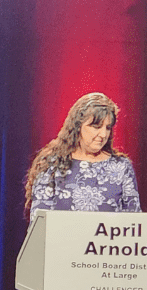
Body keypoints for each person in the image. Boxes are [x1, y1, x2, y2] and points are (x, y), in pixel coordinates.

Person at [24, 92, 140, 222]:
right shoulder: (52, 164)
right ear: (77, 126)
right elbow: (39, 222)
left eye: (107, 128)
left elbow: (133, 223)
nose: (103, 134)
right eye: (96, 126)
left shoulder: (121, 167)